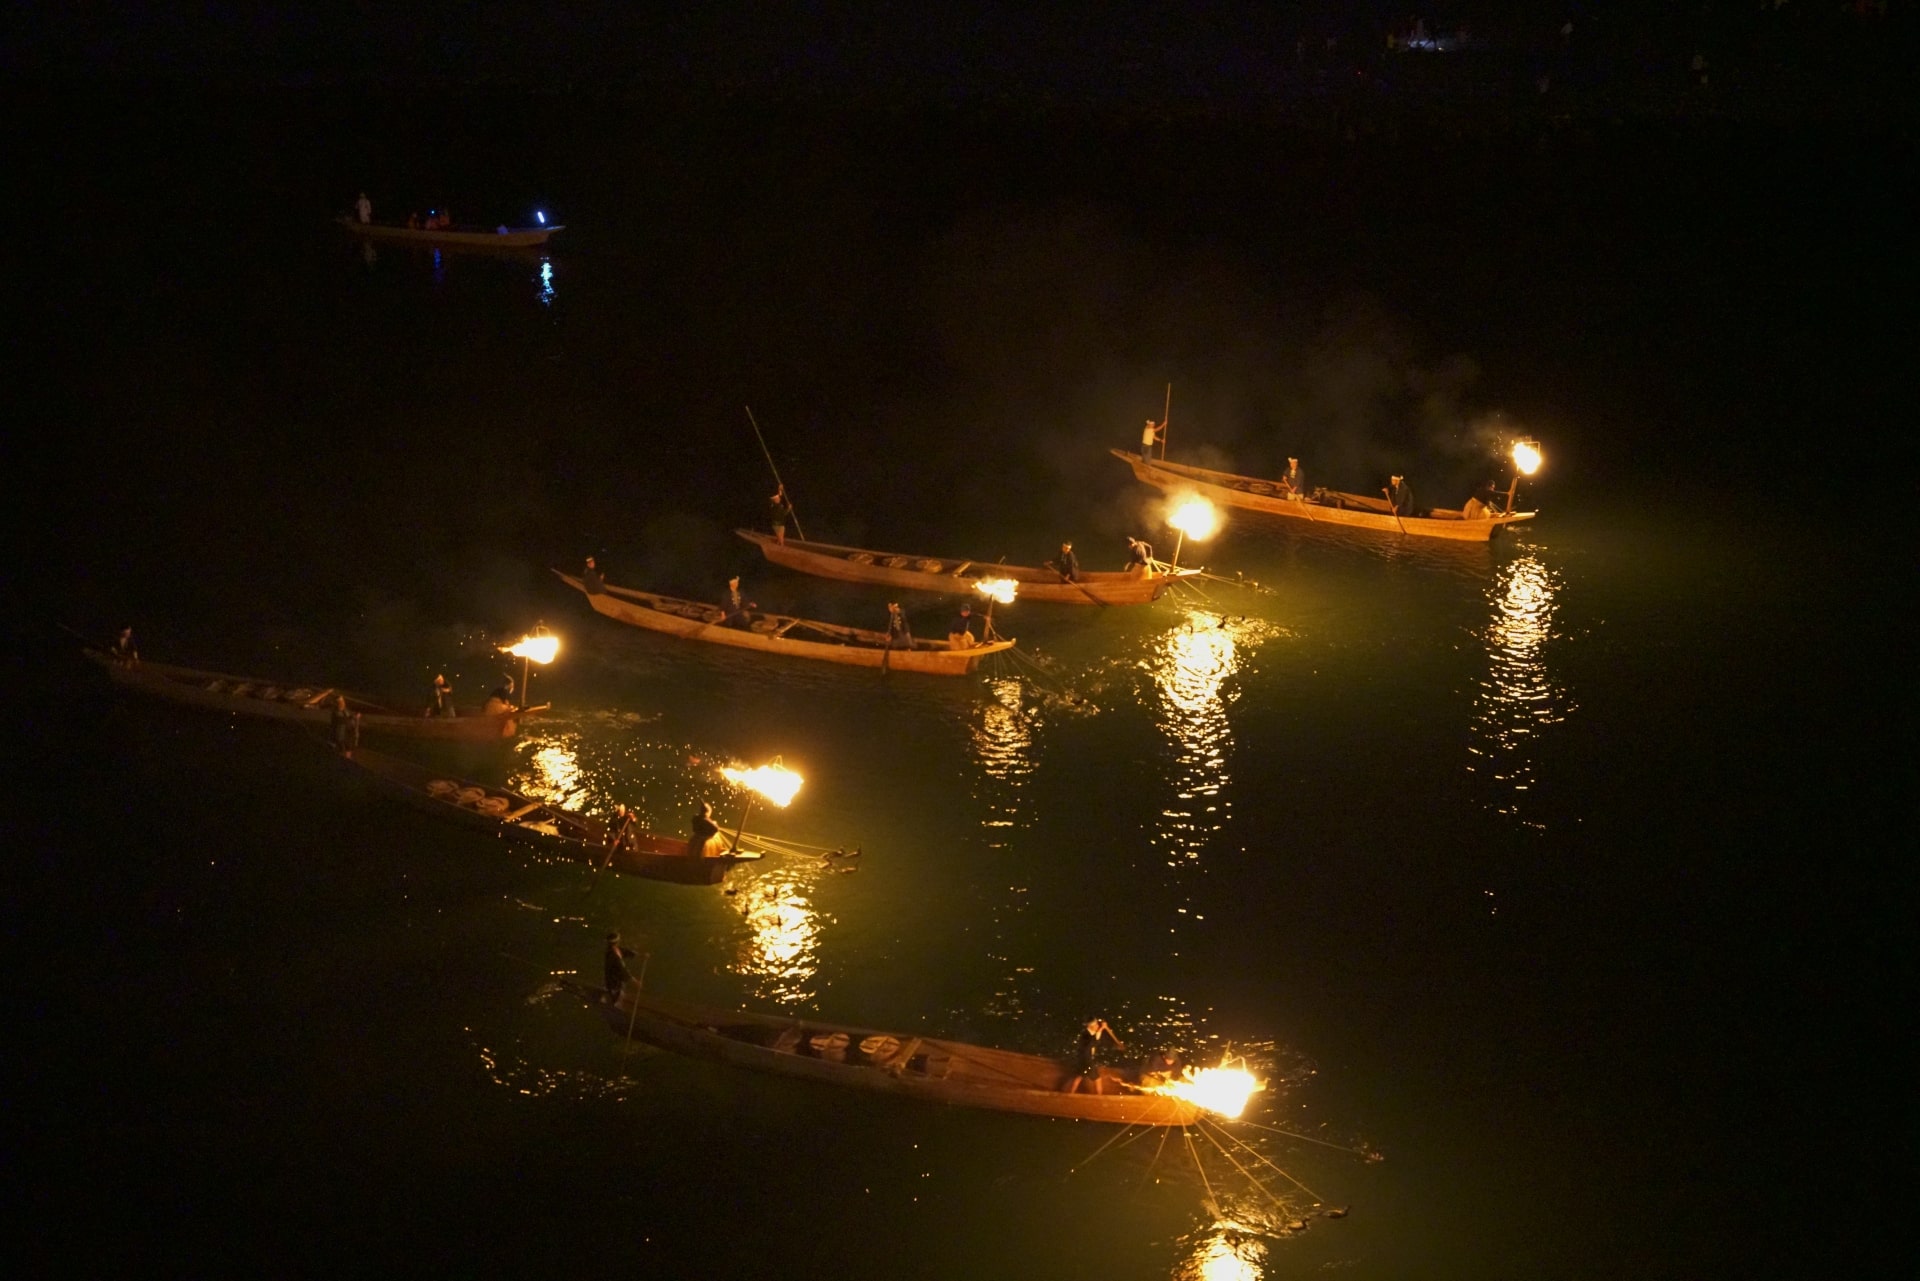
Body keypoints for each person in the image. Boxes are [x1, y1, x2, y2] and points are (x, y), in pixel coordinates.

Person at [1065, 1017, 1125, 1093]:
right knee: (1097, 1078)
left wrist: (1116, 1046)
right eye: (1096, 1025)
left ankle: (1071, 1093)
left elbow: (1097, 1040)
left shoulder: (1090, 1033)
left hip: (1084, 1059)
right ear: (1090, 1026)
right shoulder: (1086, 1035)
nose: (1097, 1026)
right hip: (1087, 1059)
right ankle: (1099, 1097)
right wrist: (1102, 1028)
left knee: (1079, 1077)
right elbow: (1093, 1041)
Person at [604, 931, 637, 1002]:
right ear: (617, 941)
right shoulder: (613, 955)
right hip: (614, 982)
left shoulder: (615, 949)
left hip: (614, 981)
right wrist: (635, 981)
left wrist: (639, 955)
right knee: (617, 998)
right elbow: (622, 970)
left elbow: (625, 951)